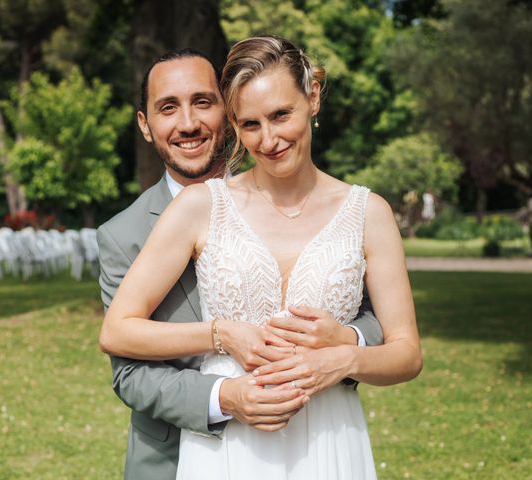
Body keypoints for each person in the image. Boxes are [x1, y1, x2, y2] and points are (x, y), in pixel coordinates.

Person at [98, 47, 385, 480]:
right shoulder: (121, 235)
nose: (189, 124)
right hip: (181, 456)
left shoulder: (330, 206)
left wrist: (344, 340)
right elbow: (131, 372)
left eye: (203, 102)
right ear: (145, 124)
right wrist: (226, 396)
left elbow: (376, 318)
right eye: (168, 108)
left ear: (228, 109)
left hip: (321, 435)